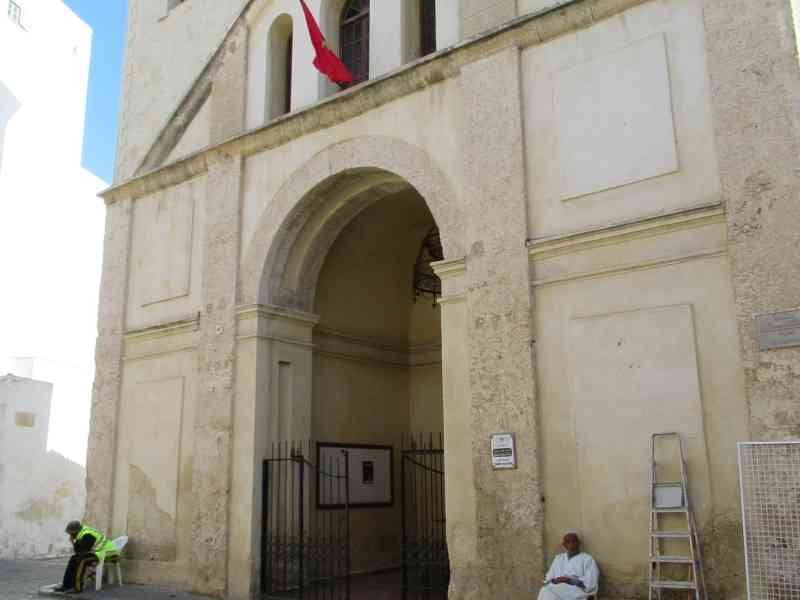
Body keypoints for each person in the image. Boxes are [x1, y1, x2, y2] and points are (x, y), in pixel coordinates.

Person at [53, 520, 116, 593]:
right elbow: (79, 551)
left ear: (75, 532)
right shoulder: (81, 533)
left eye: (71, 534)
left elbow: (81, 551)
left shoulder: (87, 535)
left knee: (82, 560)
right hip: (99, 552)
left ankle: (77, 588)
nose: (70, 536)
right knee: (73, 559)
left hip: (108, 554)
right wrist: (74, 542)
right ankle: (66, 585)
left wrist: (74, 542)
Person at [538, 532, 599, 600]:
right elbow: (549, 578)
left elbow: (590, 583)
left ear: (579, 543)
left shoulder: (587, 559)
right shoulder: (559, 558)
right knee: (545, 590)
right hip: (557, 588)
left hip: (577, 590)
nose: (571, 544)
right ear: (564, 545)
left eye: (574, 541)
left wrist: (570, 580)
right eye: (568, 542)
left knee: (548, 591)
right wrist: (557, 580)